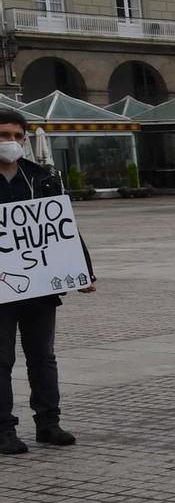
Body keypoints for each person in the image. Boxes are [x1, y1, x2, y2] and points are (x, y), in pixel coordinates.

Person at [0, 108, 92, 456]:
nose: (8, 142)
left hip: (40, 285)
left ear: (25, 138)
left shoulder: (42, 177)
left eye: (14, 135)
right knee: (1, 359)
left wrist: (82, 269)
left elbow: (62, 227)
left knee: (43, 357)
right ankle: (4, 429)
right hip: (1, 288)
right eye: (2, 135)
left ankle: (48, 423)